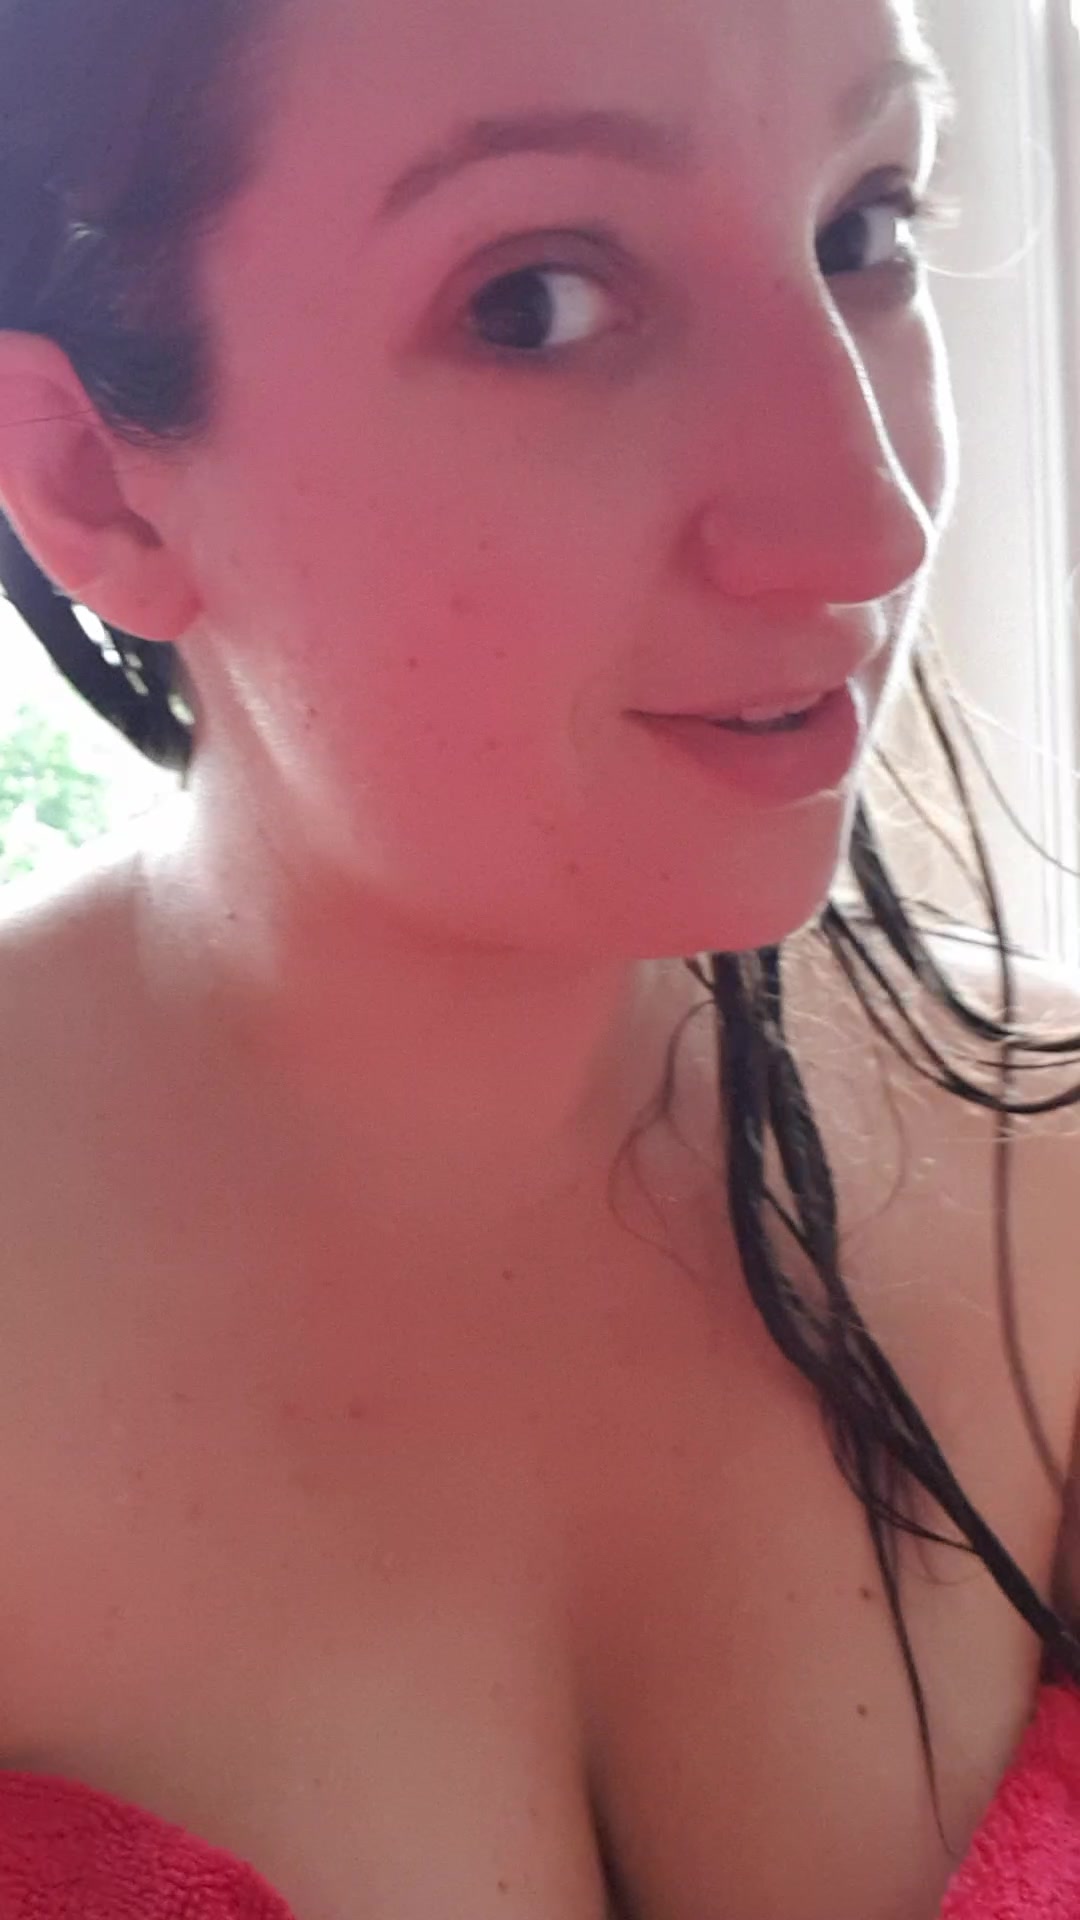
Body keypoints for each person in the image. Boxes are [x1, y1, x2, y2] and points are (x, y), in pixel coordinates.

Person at [0, 0, 1079, 1913]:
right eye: (535, 303)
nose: (867, 522)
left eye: (864, 229)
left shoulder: (1053, 1185)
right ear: (90, 474)